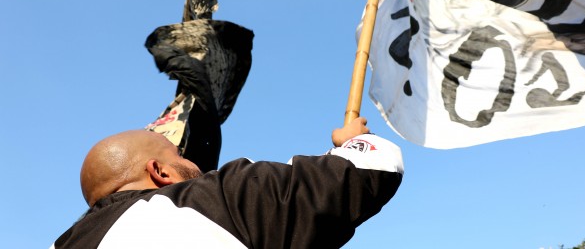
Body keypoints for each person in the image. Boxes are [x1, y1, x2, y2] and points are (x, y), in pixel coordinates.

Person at [51, 117, 404, 249]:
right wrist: (349, 143)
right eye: (181, 156)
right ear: (160, 172)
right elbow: (372, 167)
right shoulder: (215, 200)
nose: (197, 166)